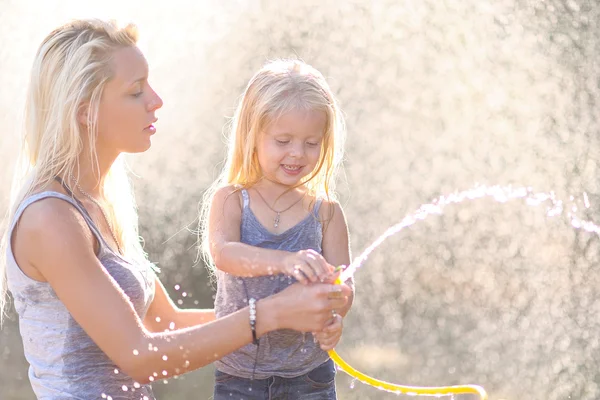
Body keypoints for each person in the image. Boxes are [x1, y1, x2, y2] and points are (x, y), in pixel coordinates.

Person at [0, 19, 351, 400]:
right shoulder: (51, 220)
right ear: (86, 111)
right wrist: (272, 314)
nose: (156, 100)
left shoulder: (99, 203)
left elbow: (168, 323)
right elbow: (142, 356)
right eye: (136, 91)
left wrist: (293, 319)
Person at [200, 59, 355, 399]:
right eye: (283, 140)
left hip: (309, 376)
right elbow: (225, 254)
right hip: (240, 376)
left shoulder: (325, 212)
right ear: (252, 136)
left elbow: (344, 286)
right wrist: (284, 261)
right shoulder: (231, 200)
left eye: (311, 143)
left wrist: (335, 315)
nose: (297, 154)